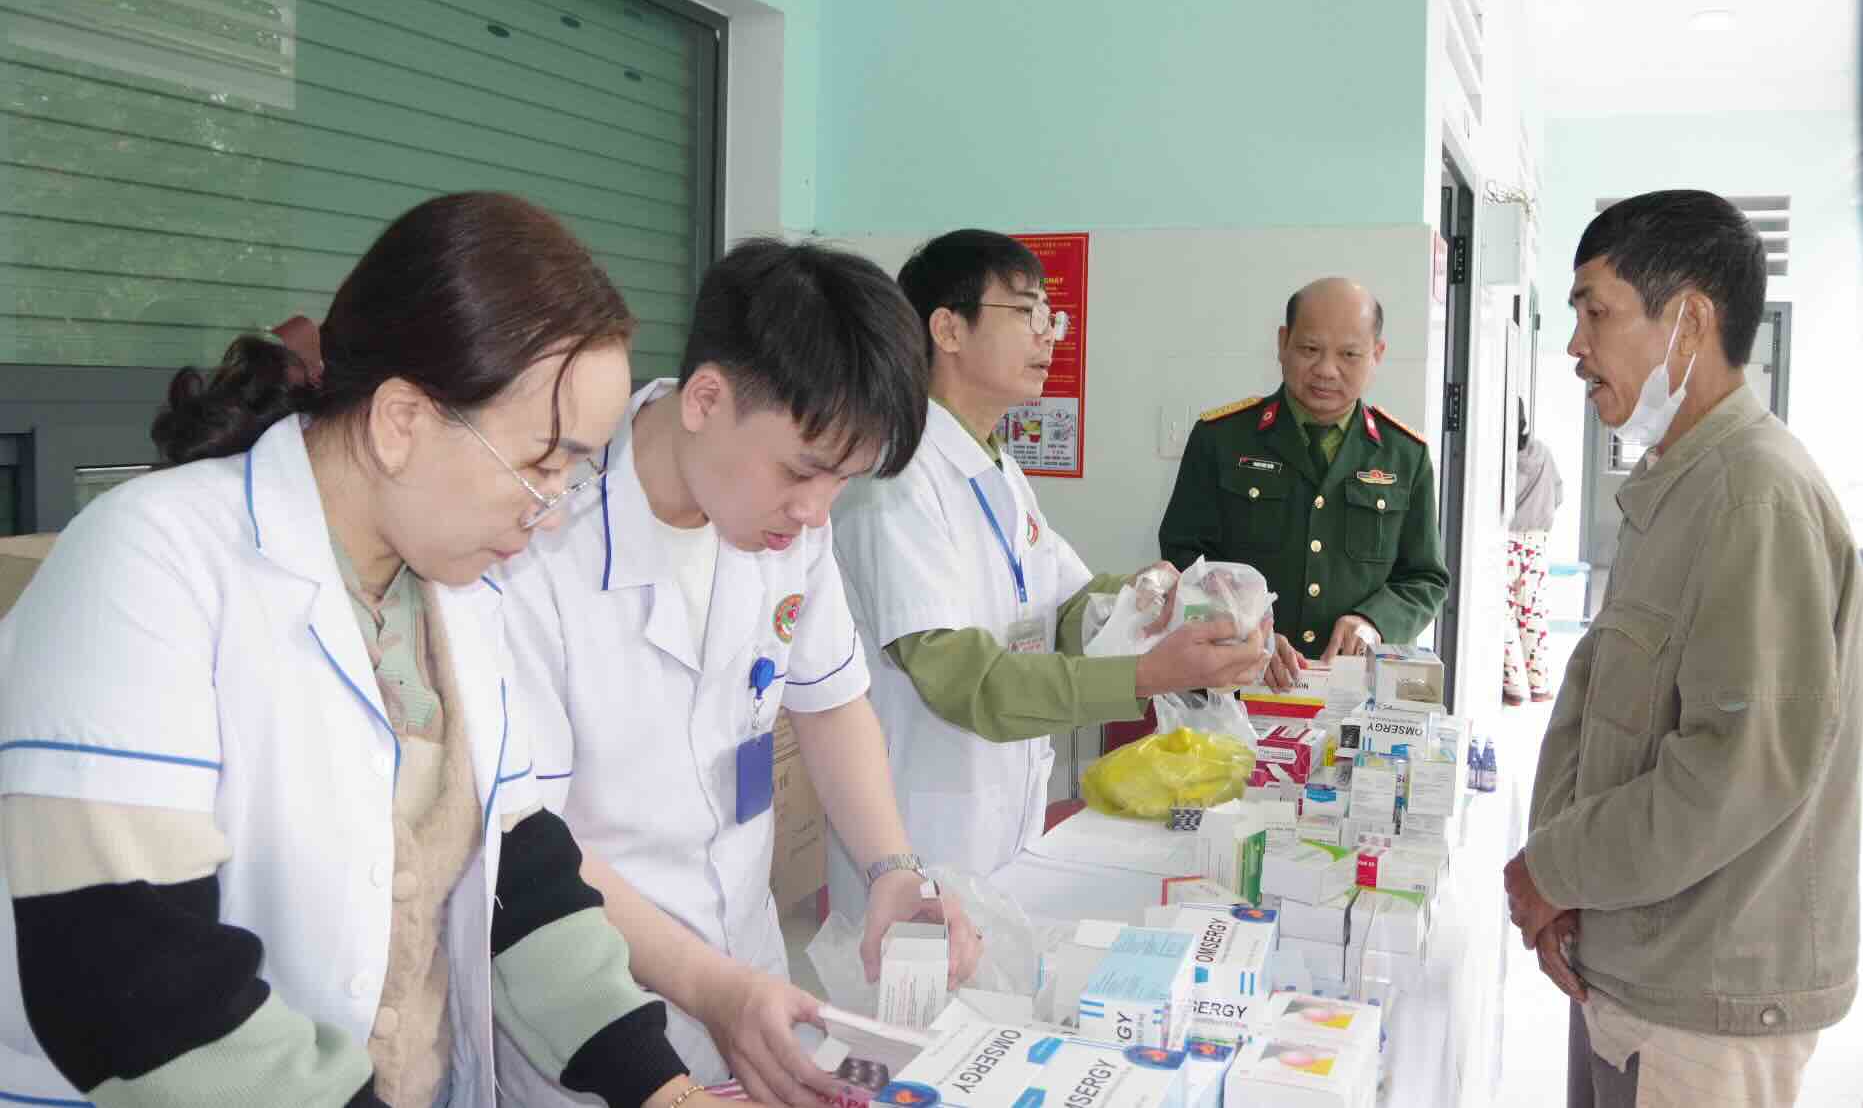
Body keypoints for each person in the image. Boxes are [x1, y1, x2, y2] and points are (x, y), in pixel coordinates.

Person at [0, 193, 720, 1108]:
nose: (551, 509)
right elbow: (124, 975)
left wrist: (662, 1091)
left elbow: (517, 878)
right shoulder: (150, 563)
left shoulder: (459, 599)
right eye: (540, 464)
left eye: (575, 472)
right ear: (401, 421)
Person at [498, 239, 981, 1108]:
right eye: (802, 471)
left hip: (751, 976)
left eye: (844, 481)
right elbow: (532, 843)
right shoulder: (536, 547)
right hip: (600, 1012)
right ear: (708, 398)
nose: (814, 510)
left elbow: (831, 705)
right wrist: (711, 991)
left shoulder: (787, 525)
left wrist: (892, 870)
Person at [1505, 190, 1860, 1108]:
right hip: (1642, 961)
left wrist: (1553, 867)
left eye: (1596, 311)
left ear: (1689, 320)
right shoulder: (1683, 480)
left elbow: (1735, 768)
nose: (1576, 346)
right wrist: (1566, 877)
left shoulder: (1753, 496)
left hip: (1704, 994)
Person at [828, 230, 1274, 909]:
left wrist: (1180, 602)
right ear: (947, 328)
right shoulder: (896, 482)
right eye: (1027, 313)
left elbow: (1066, 606)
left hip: (1001, 826)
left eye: (1051, 318)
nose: (1049, 336)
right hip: (920, 841)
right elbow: (964, 682)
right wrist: (1147, 674)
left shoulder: (996, 469)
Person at [1158, 277, 1449, 688]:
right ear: (1282, 344)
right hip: (1234, 683)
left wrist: (1373, 622)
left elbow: (1424, 579)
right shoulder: (1221, 439)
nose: (1326, 370)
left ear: (1377, 355)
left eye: (1349, 354)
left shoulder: (1404, 454)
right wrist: (1246, 629)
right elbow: (1184, 555)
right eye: (1310, 349)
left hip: (1353, 692)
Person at [1504, 400, 1563, 705]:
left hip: (1506, 541)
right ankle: (1539, 685)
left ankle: (1514, 688)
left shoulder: (1499, 457)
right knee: (1533, 613)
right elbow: (1559, 493)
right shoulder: (1542, 452)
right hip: (1536, 541)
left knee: (1505, 616)